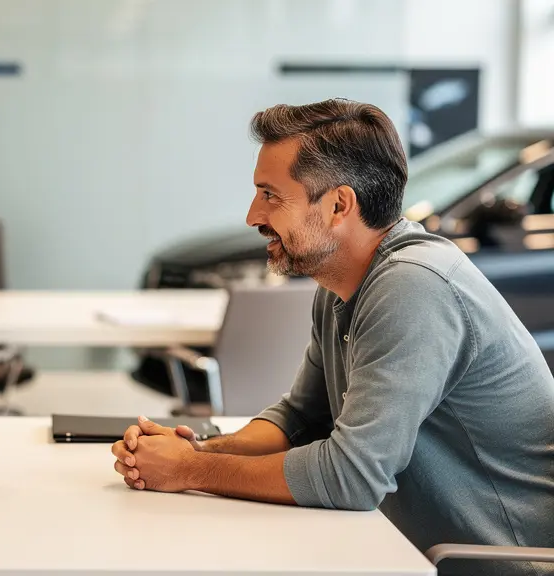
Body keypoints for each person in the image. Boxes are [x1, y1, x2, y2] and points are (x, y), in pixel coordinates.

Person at [112, 98, 554, 576]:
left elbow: (351, 477)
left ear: (339, 204)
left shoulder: (415, 284)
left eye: (271, 195)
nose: (252, 215)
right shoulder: (342, 282)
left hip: (498, 564)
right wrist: (197, 450)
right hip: (405, 549)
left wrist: (187, 471)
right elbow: (300, 418)